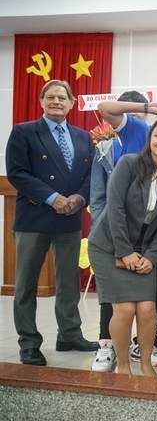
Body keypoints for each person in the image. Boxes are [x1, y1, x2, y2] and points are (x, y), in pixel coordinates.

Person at [91, 93, 157, 372]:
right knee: (125, 309)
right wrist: (125, 252)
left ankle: (146, 365)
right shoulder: (129, 164)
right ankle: (123, 366)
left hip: (144, 249)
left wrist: (149, 256)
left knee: (147, 309)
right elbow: (115, 209)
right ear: (150, 139)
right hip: (109, 245)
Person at [6, 79, 97, 365]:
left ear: (71, 104)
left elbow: (91, 176)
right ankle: (29, 343)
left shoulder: (83, 137)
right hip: (34, 217)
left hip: (70, 218)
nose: (56, 101)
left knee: (68, 281)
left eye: (62, 97)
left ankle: (69, 334)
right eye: (51, 97)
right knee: (26, 285)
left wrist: (79, 198)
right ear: (41, 102)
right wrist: (53, 197)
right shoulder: (24, 132)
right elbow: (17, 173)